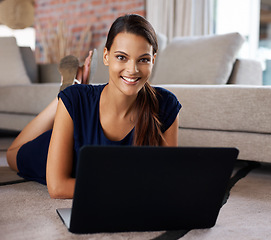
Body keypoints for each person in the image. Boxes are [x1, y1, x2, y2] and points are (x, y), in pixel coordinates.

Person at [6, 14, 182, 199]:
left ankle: (67, 94)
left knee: (72, 98)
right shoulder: (79, 100)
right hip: (62, 147)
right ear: (106, 57)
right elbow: (57, 188)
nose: (133, 69)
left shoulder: (166, 105)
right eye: (122, 57)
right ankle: (65, 95)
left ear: (153, 60)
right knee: (12, 156)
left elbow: (167, 180)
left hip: (81, 142)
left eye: (143, 59)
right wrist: (130, 187)